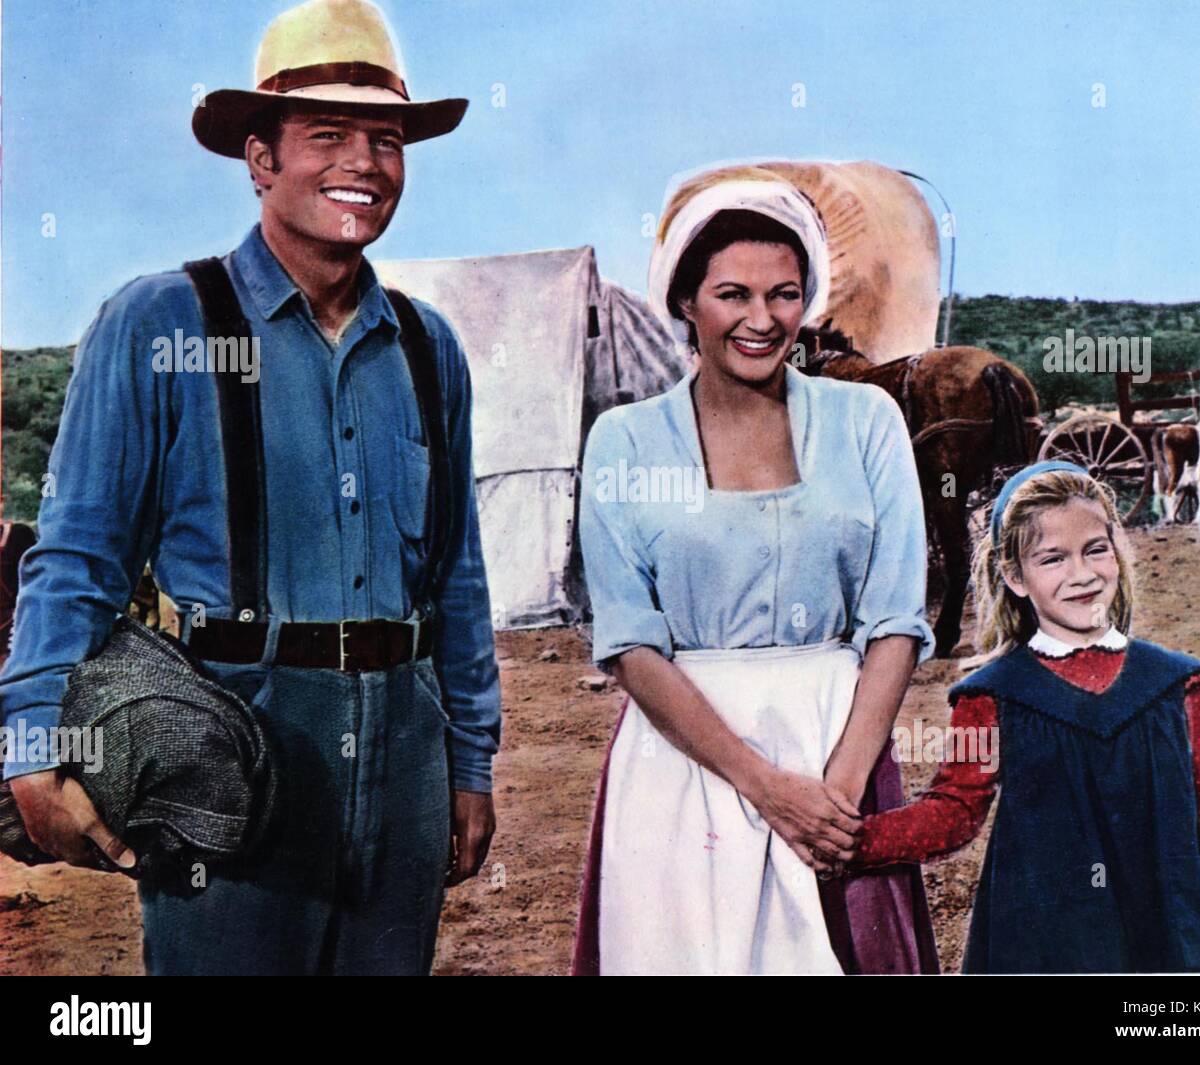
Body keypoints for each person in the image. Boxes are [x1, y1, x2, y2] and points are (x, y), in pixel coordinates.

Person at [0, 0, 501, 975]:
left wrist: (468, 759)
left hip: (405, 754)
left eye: (386, 139)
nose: (363, 162)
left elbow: (458, 578)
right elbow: (75, 561)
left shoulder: (431, 349)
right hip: (228, 751)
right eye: (327, 135)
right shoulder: (158, 325)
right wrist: (31, 743)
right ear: (261, 160)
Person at [571, 178, 939, 975]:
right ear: (686, 303)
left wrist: (838, 792)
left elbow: (896, 617)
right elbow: (631, 641)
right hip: (686, 760)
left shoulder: (866, 421)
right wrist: (766, 786)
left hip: (841, 749)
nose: (761, 318)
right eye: (732, 293)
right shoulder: (625, 443)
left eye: (784, 294)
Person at [853, 461, 1200, 973]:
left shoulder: (1176, 683)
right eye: (1053, 559)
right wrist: (853, 842)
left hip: (1168, 937)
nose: (1082, 575)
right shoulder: (990, 696)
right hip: (1043, 940)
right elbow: (954, 813)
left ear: (1117, 551)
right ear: (1015, 577)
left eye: (1095, 549)